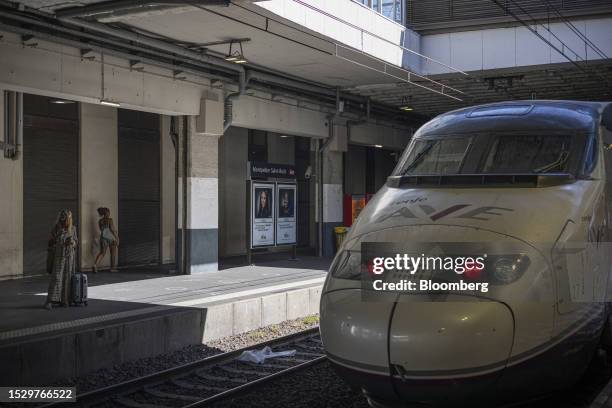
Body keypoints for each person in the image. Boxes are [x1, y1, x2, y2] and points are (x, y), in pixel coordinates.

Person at [45, 209, 78, 310]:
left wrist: (72, 243)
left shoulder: (73, 229)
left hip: (69, 257)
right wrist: (58, 237)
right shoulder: (56, 228)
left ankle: (65, 300)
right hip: (59, 256)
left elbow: (76, 242)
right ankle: (50, 301)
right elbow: (50, 242)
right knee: (56, 278)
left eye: (68, 218)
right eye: (65, 217)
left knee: (67, 278)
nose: (66, 220)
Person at [92, 207, 120, 273]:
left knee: (102, 253)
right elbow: (112, 230)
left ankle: (95, 265)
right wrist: (117, 238)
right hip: (110, 237)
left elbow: (101, 230)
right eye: (109, 212)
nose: (109, 213)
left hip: (103, 237)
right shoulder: (110, 220)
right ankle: (112, 268)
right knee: (113, 252)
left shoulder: (100, 221)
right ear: (106, 213)